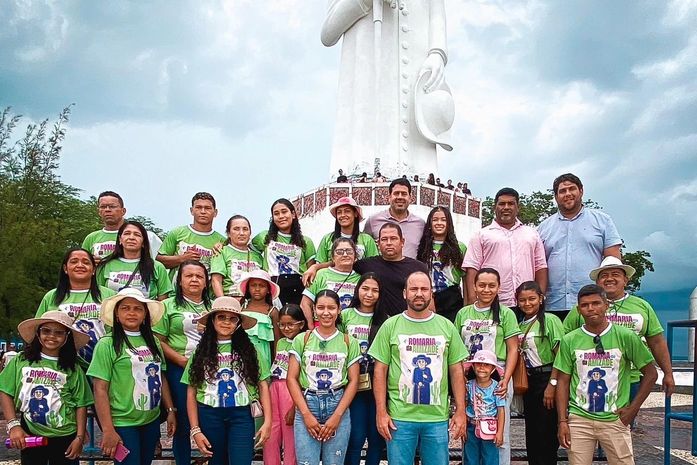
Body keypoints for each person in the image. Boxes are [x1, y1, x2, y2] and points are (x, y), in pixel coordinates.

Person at [368, 272, 467, 465]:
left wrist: (460, 411)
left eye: (424, 289)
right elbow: (380, 371)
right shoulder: (390, 325)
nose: (419, 293)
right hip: (399, 417)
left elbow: (456, 370)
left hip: (436, 417)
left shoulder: (446, 326)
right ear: (405, 293)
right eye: (414, 289)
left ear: (432, 293)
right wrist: (381, 412)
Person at [555, 285, 658, 465]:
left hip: (614, 418)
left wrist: (632, 410)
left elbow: (650, 374)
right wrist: (563, 421)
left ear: (606, 305)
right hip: (579, 418)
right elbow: (563, 382)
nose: (591, 308)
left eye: (596, 303)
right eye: (585, 305)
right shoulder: (569, 340)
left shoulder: (625, 336)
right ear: (579, 310)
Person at [563, 256, 675, 399]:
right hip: (588, 377)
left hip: (631, 377)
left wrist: (668, 373)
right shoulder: (582, 308)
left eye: (615, 274)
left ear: (625, 280)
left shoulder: (642, 307)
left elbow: (657, 342)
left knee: (625, 419)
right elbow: (564, 342)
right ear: (597, 282)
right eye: (604, 276)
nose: (609, 279)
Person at [87, 288, 176, 465]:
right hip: (123, 422)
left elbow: (161, 378)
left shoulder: (154, 342)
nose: (132, 313)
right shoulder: (107, 344)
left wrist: (170, 410)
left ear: (145, 314)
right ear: (117, 314)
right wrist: (108, 429)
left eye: (138, 308)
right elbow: (100, 389)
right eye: (125, 308)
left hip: (150, 420)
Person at [183, 296, 272, 465]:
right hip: (209, 414)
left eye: (232, 319)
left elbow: (263, 385)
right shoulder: (201, 352)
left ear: (238, 323)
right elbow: (191, 390)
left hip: (241, 414)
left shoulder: (250, 350)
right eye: (221, 317)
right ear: (212, 321)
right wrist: (195, 429)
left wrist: (267, 421)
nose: (226, 322)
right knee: (217, 461)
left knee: (241, 460)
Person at [0, 311, 93, 465]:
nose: (52, 336)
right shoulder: (21, 360)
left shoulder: (73, 368)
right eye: (46, 331)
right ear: (38, 333)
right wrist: (13, 425)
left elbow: (81, 404)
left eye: (59, 332)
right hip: (30, 432)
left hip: (66, 435)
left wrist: (79, 437)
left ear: (67, 337)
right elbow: (5, 390)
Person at [287, 290, 360, 465]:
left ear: (339, 310)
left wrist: (337, 416)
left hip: (337, 403)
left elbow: (354, 381)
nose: (326, 312)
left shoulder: (349, 342)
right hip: (308, 403)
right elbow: (291, 378)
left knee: (334, 462)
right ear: (313, 310)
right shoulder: (301, 339)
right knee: (306, 462)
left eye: (331, 308)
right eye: (321, 307)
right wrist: (306, 414)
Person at [455, 268, 520, 465]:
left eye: (492, 285)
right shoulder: (464, 312)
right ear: (474, 286)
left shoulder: (506, 313)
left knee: (499, 428)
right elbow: (456, 348)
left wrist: (505, 379)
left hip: (496, 373)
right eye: (482, 285)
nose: (486, 289)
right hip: (469, 374)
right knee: (469, 425)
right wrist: (460, 376)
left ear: (499, 287)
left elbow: (513, 349)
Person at [537, 173, 622, 320]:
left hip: (591, 304)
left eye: (572, 189)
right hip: (553, 305)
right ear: (556, 197)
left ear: (581, 191)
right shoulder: (543, 228)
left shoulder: (603, 221)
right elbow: (538, 266)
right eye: (562, 191)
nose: (567, 194)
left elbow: (613, 262)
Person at [153, 260, 211, 465]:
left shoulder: (213, 305)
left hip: (211, 373)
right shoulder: (167, 306)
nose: (194, 279)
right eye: (189, 275)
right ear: (179, 281)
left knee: (209, 419)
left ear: (206, 282)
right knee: (182, 424)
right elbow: (158, 340)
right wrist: (181, 360)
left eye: (199, 276)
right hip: (179, 370)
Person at [463, 187, 548, 307]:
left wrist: (540, 296)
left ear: (518, 207)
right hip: (492, 303)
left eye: (511, 204)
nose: (506, 207)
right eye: (502, 204)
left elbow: (540, 266)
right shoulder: (481, 235)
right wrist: (473, 300)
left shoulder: (532, 234)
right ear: (495, 207)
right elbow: (472, 268)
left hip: (525, 304)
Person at [35, 248, 116, 364]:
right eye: (74, 261)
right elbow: (38, 331)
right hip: (63, 363)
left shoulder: (109, 295)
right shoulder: (51, 296)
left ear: (94, 270)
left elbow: (118, 332)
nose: (80, 265)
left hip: (101, 362)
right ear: (65, 269)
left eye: (86, 262)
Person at [516, 281, 564, 465]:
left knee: (546, 434)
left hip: (547, 377)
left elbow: (561, 355)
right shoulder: (520, 324)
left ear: (541, 299)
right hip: (529, 381)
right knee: (532, 432)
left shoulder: (550, 321)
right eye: (522, 300)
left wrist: (552, 385)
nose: (527, 304)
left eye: (532, 299)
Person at [340, 272, 385, 465]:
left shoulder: (385, 319)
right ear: (357, 289)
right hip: (353, 385)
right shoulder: (345, 316)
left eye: (375, 290)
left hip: (377, 383)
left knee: (376, 439)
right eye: (365, 288)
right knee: (356, 437)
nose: (369, 294)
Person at [252, 198, 316, 306]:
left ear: (293, 214)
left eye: (284, 212)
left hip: (297, 288)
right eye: (276, 214)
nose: (281, 216)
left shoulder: (306, 241)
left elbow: (311, 272)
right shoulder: (264, 236)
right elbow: (246, 250)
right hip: (272, 286)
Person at [354, 223, 428, 316]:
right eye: (384, 239)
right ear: (378, 243)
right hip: (376, 324)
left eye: (393, 238)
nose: (389, 243)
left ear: (402, 242)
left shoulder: (418, 268)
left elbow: (428, 299)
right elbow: (341, 265)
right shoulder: (366, 265)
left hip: (407, 322)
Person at [264, 304, 306, 465]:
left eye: (290, 324)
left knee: (290, 432)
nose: (286, 328)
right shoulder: (280, 342)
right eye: (282, 324)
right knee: (272, 431)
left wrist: (296, 405)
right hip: (274, 387)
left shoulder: (304, 342)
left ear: (301, 324)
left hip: (291, 389)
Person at [157, 192, 226, 281]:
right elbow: (159, 262)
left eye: (208, 208)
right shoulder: (177, 233)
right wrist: (182, 258)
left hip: (208, 293)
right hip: (176, 292)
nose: (203, 211)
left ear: (215, 212)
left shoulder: (222, 241)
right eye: (198, 207)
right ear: (191, 210)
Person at [97, 220, 172, 300]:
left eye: (137, 235)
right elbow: (97, 294)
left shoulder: (157, 267)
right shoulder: (104, 265)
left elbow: (163, 299)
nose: (131, 237)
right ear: (120, 239)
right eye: (127, 233)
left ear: (143, 242)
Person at [416, 206, 467, 322]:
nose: (439, 223)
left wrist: (467, 306)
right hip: (428, 296)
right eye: (435, 220)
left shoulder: (460, 247)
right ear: (429, 223)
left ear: (449, 223)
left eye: (443, 220)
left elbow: (465, 279)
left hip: (452, 298)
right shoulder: (422, 247)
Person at [82, 191, 162, 262]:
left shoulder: (145, 236)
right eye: (103, 207)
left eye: (112, 206)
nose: (107, 210)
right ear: (99, 211)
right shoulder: (91, 238)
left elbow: (159, 264)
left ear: (123, 211)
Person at [301, 238, 362, 326]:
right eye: (339, 252)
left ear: (355, 257)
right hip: (323, 326)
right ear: (332, 257)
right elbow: (305, 304)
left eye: (349, 251)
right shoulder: (320, 274)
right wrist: (311, 327)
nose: (345, 254)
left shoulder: (360, 278)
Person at [462, 349, 507, 465]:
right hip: (471, 427)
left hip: (490, 429)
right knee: (470, 459)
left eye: (486, 365)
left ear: (493, 369)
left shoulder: (498, 388)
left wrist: (500, 432)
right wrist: (463, 427)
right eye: (479, 364)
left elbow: (501, 411)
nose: (482, 368)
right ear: (473, 366)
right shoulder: (468, 386)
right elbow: (465, 405)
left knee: (490, 459)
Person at [364, 179, 425, 259]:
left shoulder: (420, 224)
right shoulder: (373, 221)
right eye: (396, 193)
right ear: (389, 197)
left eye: (404, 194)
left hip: (412, 270)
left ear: (410, 198)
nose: (400, 197)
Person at [238, 270, 282, 375]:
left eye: (262, 286)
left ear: (268, 290)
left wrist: (276, 362)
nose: (257, 289)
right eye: (253, 285)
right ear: (248, 288)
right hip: (241, 351)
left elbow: (277, 340)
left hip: (263, 352)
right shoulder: (241, 308)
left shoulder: (272, 311)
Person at [211, 215, 264, 298]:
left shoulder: (258, 256)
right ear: (228, 233)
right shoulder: (221, 251)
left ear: (250, 233)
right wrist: (223, 303)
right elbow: (216, 280)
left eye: (245, 229)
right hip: (230, 300)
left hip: (253, 302)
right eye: (236, 229)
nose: (241, 233)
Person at [314, 197, 379, 263]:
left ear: (355, 214)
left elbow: (374, 265)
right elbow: (320, 265)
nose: (343, 215)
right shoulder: (327, 239)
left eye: (347, 211)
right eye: (339, 212)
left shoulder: (367, 240)